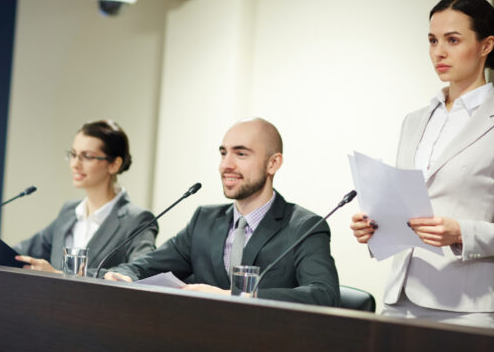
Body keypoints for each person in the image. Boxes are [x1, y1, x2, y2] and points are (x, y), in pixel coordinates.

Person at [350, 0, 494, 328]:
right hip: (398, 300)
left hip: (466, 309)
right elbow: (409, 206)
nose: (439, 51)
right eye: (433, 40)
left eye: (453, 40)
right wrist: (376, 226)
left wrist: (460, 232)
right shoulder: (414, 120)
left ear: (486, 45)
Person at [105, 118, 340, 306]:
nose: (226, 164)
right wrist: (123, 275)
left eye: (241, 154)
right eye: (223, 153)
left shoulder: (304, 227)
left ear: (273, 163)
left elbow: (323, 294)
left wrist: (233, 295)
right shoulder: (204, 221)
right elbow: (144, 266)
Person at [0, 120, 158, 273]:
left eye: (87, 156)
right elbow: (23, 253)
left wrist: (61, 276)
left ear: (114, 165)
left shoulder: (137, 220)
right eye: (73, 154)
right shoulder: (69, 211)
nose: (75, 164)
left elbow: (140, 271)